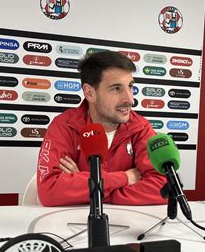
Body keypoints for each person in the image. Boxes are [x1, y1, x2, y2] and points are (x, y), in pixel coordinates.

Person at [36, 51, 167, 206]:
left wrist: (92, 188)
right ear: (90, 93)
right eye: (116, 88)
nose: (129, 99)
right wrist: (125, 178)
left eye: (130, 86)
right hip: (74, 224)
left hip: (129, 224)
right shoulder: (64, 126)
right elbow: (49, 191)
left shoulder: (140, 128)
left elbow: (164, 188)